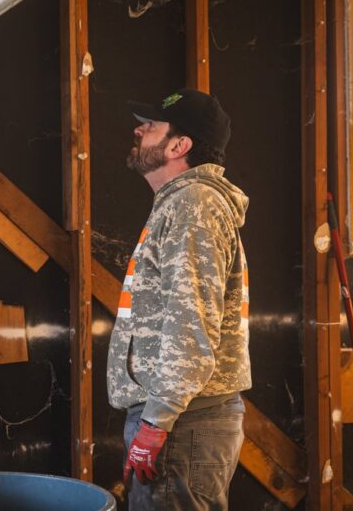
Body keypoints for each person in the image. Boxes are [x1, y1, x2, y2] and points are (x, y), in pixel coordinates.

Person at [107, 89, 251, 510]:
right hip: (181, 419)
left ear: (178, 145)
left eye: (150, 125)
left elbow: (191, 322)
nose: (138, 130)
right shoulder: (183, 203)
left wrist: (155, 423)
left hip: (181, 423)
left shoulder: (194, 204)